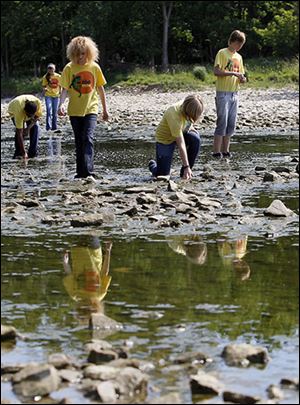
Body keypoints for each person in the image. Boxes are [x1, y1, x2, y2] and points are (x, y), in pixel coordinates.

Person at [58, 36, 109, 179]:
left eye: (83, 53)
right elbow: (64, 90)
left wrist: (105, 110)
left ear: (89, 52)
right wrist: (61, 104)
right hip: (74, 111)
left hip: (91, 109)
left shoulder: (94, 67)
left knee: (88, 138)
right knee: (79, 141)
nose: (80, 57)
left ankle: (88, 171)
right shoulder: (69, 68)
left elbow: (100, 89)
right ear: (72, 54)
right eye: (77, 54)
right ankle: (80, 172)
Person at [148, 94, 204, 180]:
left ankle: (185, 173)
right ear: (187, 111)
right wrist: (186, 166)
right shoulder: (174, 114)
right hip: (165, 139)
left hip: (181, 131)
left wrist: (191, 127)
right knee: (162, 174)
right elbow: (181, 145)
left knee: (195, 139)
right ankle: (153, 165)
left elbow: (189, 120)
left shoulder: (189, 104)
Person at [213, 30, 247, 159]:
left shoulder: (239, 57)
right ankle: (216, 151)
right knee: (222, 121)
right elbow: (216, 71)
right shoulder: (222, 53)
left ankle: (226, 151)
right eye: (238, 44)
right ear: (232, 41)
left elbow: (241, 74)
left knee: (231, 123)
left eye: (241, 45)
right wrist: (232, 73)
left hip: (235, 93)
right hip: (223, 92)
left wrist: (242, 79)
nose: (239, 47)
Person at [63, 237, 113, 322]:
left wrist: (65, 263)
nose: (88, 306)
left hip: (77, 251)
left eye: (84, 309)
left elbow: (69, 275)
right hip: (94, 252)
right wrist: (108, 252)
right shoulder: (99, 294)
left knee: (78, 227)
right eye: (90, 309)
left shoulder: (75, 294)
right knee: (91, 228)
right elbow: (105, 273)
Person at [7, 94, 43, 159]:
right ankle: (19, 153)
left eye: (32, 115)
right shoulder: (19, 112)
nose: (31, 117)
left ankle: (33, 152)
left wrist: (28, 128)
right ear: (25, 112)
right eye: (29, 115)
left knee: (36, 127)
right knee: (21, 131)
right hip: (13, 109)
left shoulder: (38, 104)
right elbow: (19, 132)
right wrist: (24, 153)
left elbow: (37, 117)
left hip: (27, 107)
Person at [42, 63, 61, 131]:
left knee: (55, 112)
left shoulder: (58, 76)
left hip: (56, 96)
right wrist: (44, 89)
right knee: (48, 111)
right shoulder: (45, 77)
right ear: (47, 69)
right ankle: (48, 127)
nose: (50, 70)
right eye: (49, 68)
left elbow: (60, 85)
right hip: (48, 96)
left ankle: (54, 127)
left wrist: (60, 93)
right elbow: (43, 86)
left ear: (54, 69)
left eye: (52, 68)